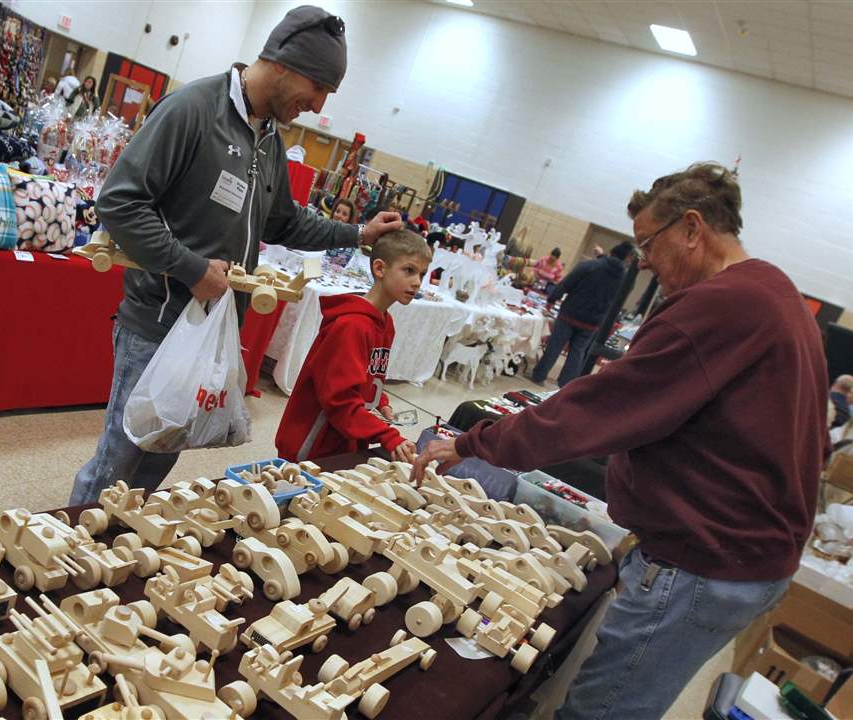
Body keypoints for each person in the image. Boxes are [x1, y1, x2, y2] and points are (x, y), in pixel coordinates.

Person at [413, 162, 829, 720]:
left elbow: (588, 413)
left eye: (647, 244)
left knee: (601, 711)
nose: (644, 262)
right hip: (749, 556)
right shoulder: (775, 289)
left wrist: (472, 444)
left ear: (691, 227)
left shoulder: (717, 307)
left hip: (704, 561)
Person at [69, 5, 404, 505]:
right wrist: (191, 268)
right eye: (320, 91)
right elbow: (119, 200)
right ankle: (67, 551)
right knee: (118, 459)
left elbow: (284, 222)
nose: (317, 106)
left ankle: (112, 548)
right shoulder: (193, 110)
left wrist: (357, 232)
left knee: (162, 454)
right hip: (157, 325)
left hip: (208, 331)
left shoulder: (269, 138)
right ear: (287, 67)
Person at [276, 230, 429, 463]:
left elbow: (370, 377)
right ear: (380, 269)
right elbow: (339, 400)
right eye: (409, 270)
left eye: (422, 274)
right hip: (314, 443)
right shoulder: (352, 326)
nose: (417, 282)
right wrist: (386, 435)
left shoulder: (385, 323)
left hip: (343, 438)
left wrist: (381, 403)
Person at [530, 240, 634, 387]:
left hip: (570, 313)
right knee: (577, 353)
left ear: (610, 253)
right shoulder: (624, 278)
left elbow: (567, 283)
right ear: (626, 258)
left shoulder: (590, 265)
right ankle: (565, 386)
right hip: (593, 321)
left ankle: (539, 376)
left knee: (555, 345)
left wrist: (553, 298)